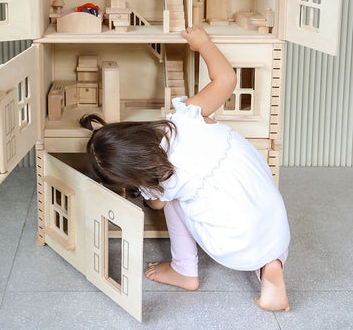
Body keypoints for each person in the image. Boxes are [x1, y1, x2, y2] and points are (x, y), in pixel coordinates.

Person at [79, 26, 291, 312]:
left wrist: (148, 189)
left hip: (234, 246)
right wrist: (203, 44)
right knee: (231, 197)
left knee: (172, 202)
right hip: (276, 224)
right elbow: (227, 78)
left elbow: (155, 204)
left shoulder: (161, 180)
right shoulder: (186, 117)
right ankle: (271, 266)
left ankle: (184, 270)